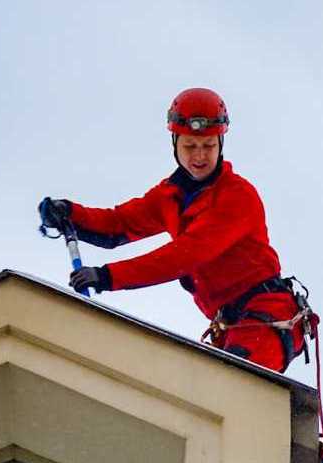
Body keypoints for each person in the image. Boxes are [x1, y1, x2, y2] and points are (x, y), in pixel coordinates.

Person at [38, 88, 308, 373]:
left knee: (232, 388)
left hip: (266, 317)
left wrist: (107, 276)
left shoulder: (237, 197)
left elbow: (184, 256)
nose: (200, 156)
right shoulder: (171, 197)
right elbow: (119, 224)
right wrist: (70, 213)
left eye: (208, 146)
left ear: (221, 143)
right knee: (215, 394)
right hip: (229, 325)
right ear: (175, 143)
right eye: (190, 146)